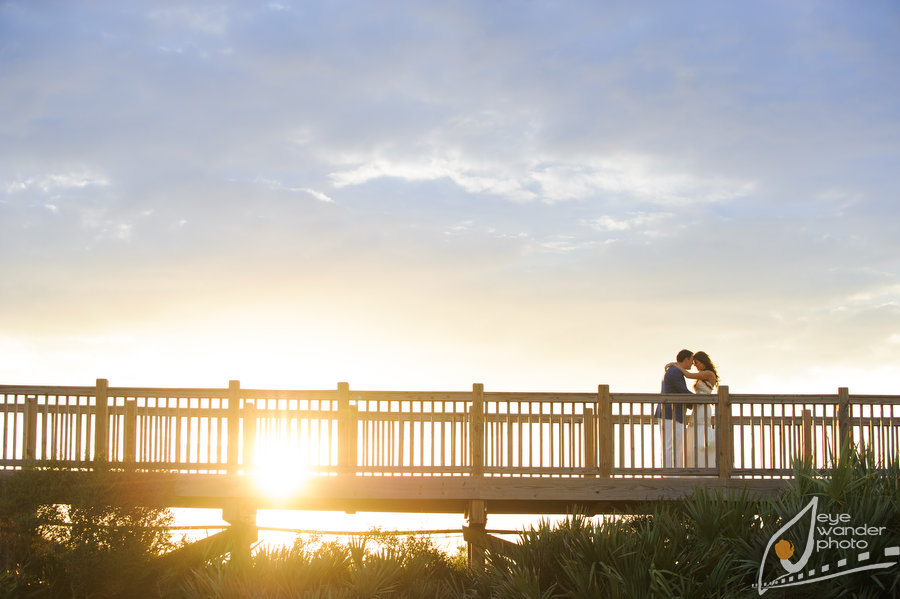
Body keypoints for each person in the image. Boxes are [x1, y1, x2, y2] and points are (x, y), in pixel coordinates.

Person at [667, 351, 720, 468]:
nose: (695, 365)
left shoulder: (709, 373)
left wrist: (676, 365)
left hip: (703, 407)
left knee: (700, 431)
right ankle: (694, 464)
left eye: (696, 363)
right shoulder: (702, 373)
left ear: (703, 362)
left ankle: (703, 464)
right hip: (697, 407)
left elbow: (688, 375)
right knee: (693, 432)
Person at [654, 349, 693, 468]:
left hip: (669, 413)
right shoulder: (675, 372)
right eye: (691, 360)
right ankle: (671, 474)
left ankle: (671, 472)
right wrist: (700, 402)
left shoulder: (673, 370)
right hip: (671, 414)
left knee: (671, 445)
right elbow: (683, 392)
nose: (692, 364)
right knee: (671, 446)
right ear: (686, 359)